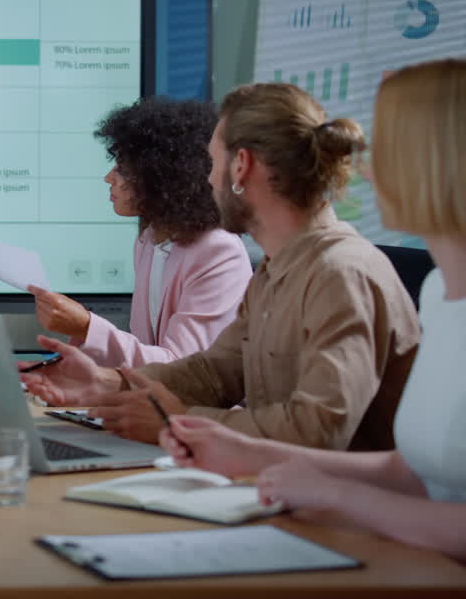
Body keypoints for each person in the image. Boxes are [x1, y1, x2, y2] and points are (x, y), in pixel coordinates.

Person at [157, 58, 465, 562]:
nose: (367, 170)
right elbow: (416, 472)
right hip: (404, 559)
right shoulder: (439, 293)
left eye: (386, 151)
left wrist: (340, 496)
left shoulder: (344, 270)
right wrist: (248, 451)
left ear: (439, 164)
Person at [24, 82, 419, 451]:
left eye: (212, 162)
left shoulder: (340, 274)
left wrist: (177, 422)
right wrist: (106, 382)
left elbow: (318, 428)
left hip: (324, 501)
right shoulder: (276, 269)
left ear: (241, 166)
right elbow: (215, 373)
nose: (206, 180)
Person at [29, 97, 251, 367]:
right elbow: (145, 352)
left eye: (122, 170)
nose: (109, 178)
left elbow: (182, 369)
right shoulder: (150, 239)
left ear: (161, 177)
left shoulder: (219, 252)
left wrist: (87, 327)